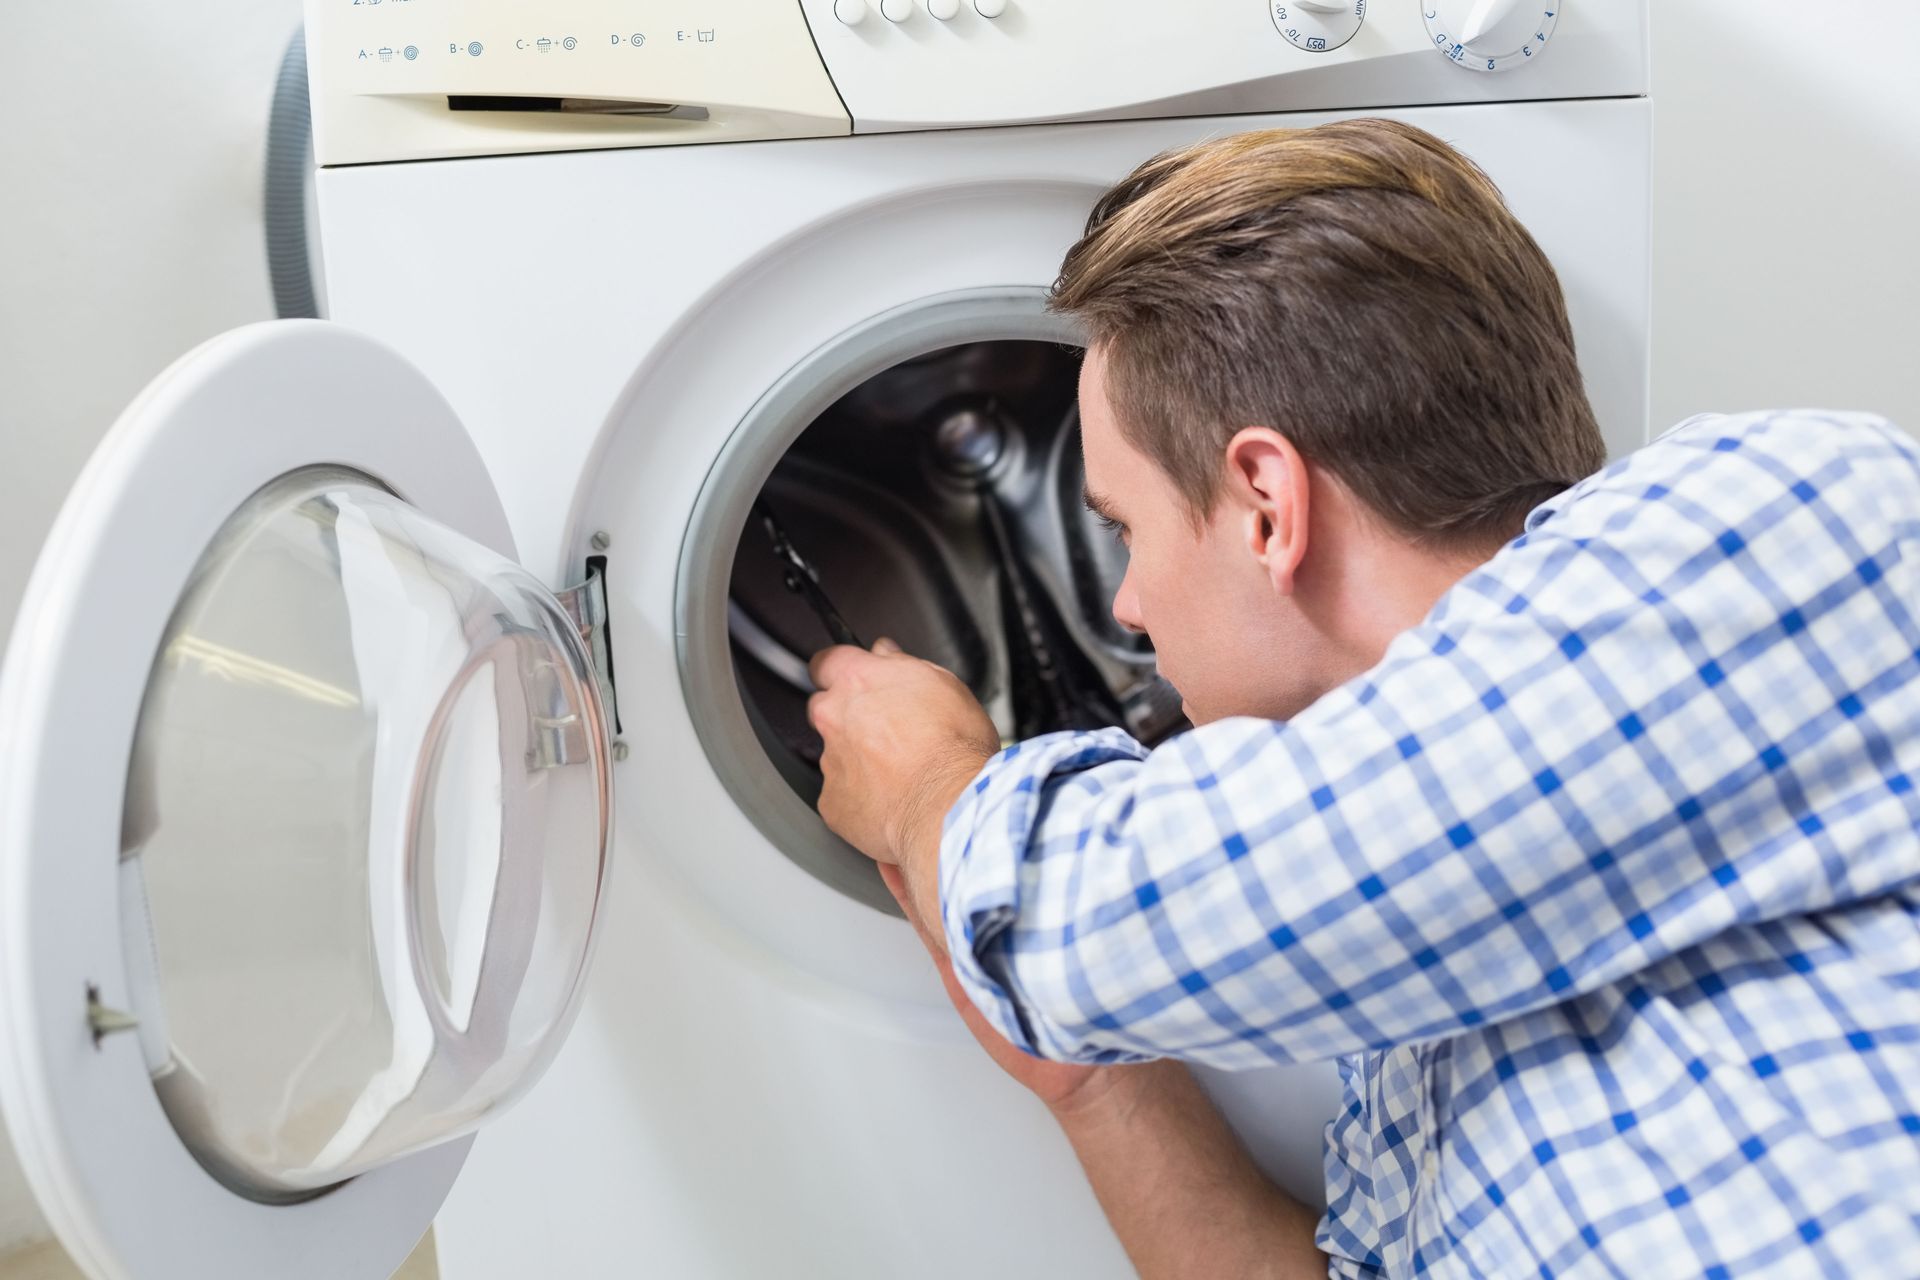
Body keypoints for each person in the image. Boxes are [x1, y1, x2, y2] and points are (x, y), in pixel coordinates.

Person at [805, 119, 1920, 1278]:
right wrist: (1096, 1085)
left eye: (1125, 528)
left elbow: (1072, 926)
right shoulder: (1400, 1038)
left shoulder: (1776, 518)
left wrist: (933, 781)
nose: (1128, 603)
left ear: (1266, 506)